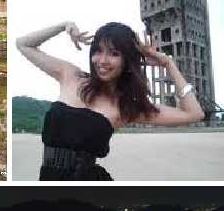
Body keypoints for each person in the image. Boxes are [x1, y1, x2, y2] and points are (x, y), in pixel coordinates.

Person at [16, 21, 205, 181]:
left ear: (126, 61)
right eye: (98, 51)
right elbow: (23, 44)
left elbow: (194, 114)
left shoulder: (126, 107)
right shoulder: (71, 76)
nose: (102, 60)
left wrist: (168, 63)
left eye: (114, 53)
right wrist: (63, 25)